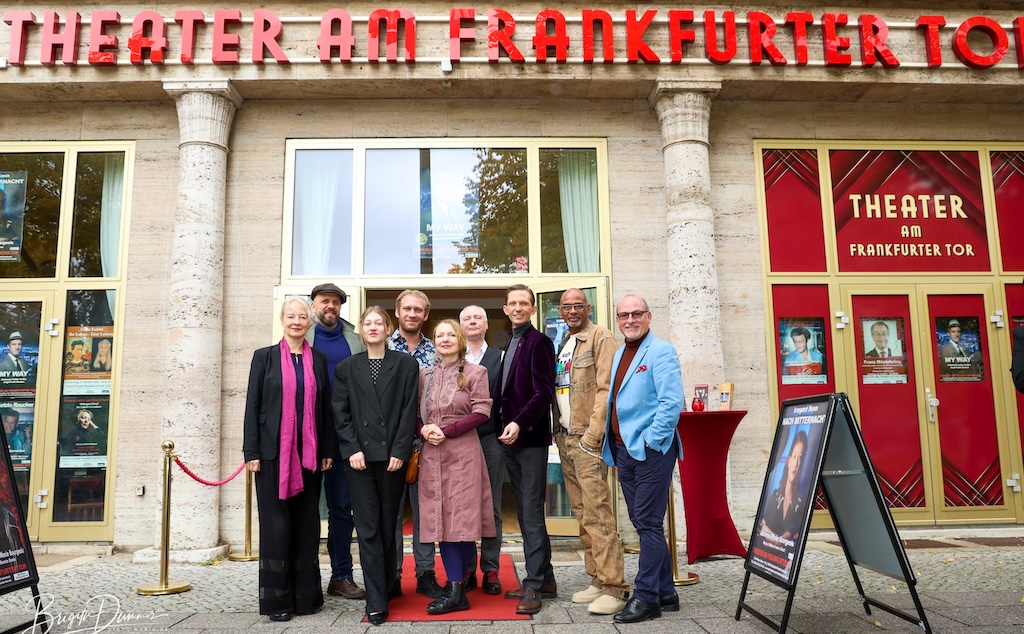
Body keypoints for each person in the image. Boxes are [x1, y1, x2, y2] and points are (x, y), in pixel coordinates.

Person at [242, 297, 336, 622]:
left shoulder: (318, 359)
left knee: (307, 526)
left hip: (309, 458)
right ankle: (277, 601)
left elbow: (325, 408)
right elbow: (253, 406)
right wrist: (252, 452)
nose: (296, 321)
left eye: (302, 317)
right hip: (272, 457)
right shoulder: (264, 357)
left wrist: (327, 450)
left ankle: (306, 597)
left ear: (310, 322)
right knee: (276, 527)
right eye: (291, 316)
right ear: (282, 320)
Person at [334, 306, 419, 626]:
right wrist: (351, 449)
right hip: (359, 460)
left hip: (392, 458)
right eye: (367, 323)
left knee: (387, 526)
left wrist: (400, 450)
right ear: (360, 329)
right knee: (368, 527)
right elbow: (340, 413)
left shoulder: (406, 364)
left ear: (388, 329)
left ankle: (386, 585)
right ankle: (376, 600)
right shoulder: (346, 367)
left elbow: (408, 410)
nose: (372, 327)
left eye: (378, 323)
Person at [602, 295, 683, 624]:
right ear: (618, 320)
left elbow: (671, 402)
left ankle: (647, 597)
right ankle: (666, 592)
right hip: (623, 450)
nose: (630, 320)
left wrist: (651, 441)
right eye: (624, 315)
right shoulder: (620, 353)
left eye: (636, 313)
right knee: (643, 522)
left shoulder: (661, 351)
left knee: (648, 523)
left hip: (651, 452)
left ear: (649, 316)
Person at [551, 289, 628, 615]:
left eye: (578, 306)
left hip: (587, 438)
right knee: (582, 514)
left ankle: (615, 586)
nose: (572, 311)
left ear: (588, 308)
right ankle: (597, 578)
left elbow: (606, 389)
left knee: (598, 513)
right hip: (565, 438)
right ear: (560, 311)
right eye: (567, 306)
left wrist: (594, 435)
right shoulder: (564, 343)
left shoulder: (601, 337)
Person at [417, 320, 495, 614]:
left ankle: (456, 588)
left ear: (461, 340)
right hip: (432, 452)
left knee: (460, 519)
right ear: (434, 342)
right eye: (440, 335)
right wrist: (423, 430)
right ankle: (457, 585)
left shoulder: (476, 372)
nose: (445, 339)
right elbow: (414, 412)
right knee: (442, 519)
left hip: (463, 451)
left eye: (451, 334)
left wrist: (447, 431)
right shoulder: (424, 375)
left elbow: (482, 410)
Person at [496, 284, 557, 615]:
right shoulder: (510, 343)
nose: (518, 308)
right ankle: (545, 578)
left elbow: (544, 392)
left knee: (531, 512)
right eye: (513, 303)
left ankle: (533, 585)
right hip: (510, 440)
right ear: (506, 309)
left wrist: (519, 423)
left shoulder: (539, 342)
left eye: (524, 303)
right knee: (524, 509)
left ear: (533, 309)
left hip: (529, 439)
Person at [307, 283, 366, 601]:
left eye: (335, 302)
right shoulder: (301, 336)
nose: (330, 306)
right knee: (304, 510)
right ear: (313, 305)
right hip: (307, 435)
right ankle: (304, 579)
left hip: (345, 436)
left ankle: (341, 575)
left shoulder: (354, 339)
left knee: (342, 509)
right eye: (324, 301)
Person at [385, 290, 442, 598]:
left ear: (425, 315)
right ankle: (392, 575)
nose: (412, 313)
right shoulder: (382, 346)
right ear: (397, 312)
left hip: (426, 444)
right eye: (406, 308)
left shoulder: (436, 351)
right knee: (391, 513)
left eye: (418, 309)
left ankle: (425, 573)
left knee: (425, 512)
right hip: (388, 444)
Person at [459, 304, 505, 595]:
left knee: (492, 506)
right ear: (461, 326)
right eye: (467, 318)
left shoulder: (500, 357)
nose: (473, 322)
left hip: (490, 439)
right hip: (459, 441)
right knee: (462, 505)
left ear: (487, 325)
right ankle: (466, 569)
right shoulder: (452, 358)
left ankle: (490, 568)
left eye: (478, 317)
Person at [760, 431, 808, 541]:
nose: (796, 463)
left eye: (800, 458)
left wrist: (772, 535)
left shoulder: (801, 502)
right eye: (794, 456)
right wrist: (780, 540)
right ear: (788, 461)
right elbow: (762, 527)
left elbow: (796, 535)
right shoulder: (775, 496)